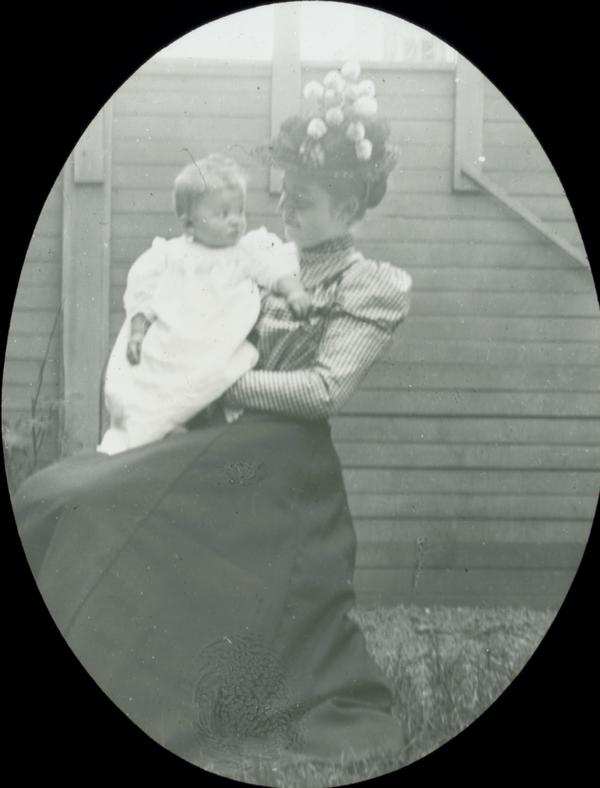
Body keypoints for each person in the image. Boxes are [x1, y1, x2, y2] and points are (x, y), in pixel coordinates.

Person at [13, 62, 412, 775]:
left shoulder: (369, 285)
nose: (283, 210)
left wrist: (217, 383)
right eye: (283, 194)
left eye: (304, 201)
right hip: (217, 439)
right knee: (55, 491)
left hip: (282, 466)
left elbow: (326, 390)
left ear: (350, 207)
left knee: (99, 507)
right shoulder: (255, 256)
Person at [99, 153, 310, 455]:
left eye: (240, 211)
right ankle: (153, 430)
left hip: (216, 337)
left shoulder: (245, 252)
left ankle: (184, 427)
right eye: (223, 214)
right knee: (149, 375)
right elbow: (143, 293)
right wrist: (137, 332)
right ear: (189, 224)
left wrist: (294, 291)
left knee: (206, 377)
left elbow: (273, 273)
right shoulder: (170, 255)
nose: (236, 220)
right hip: (174, 333)